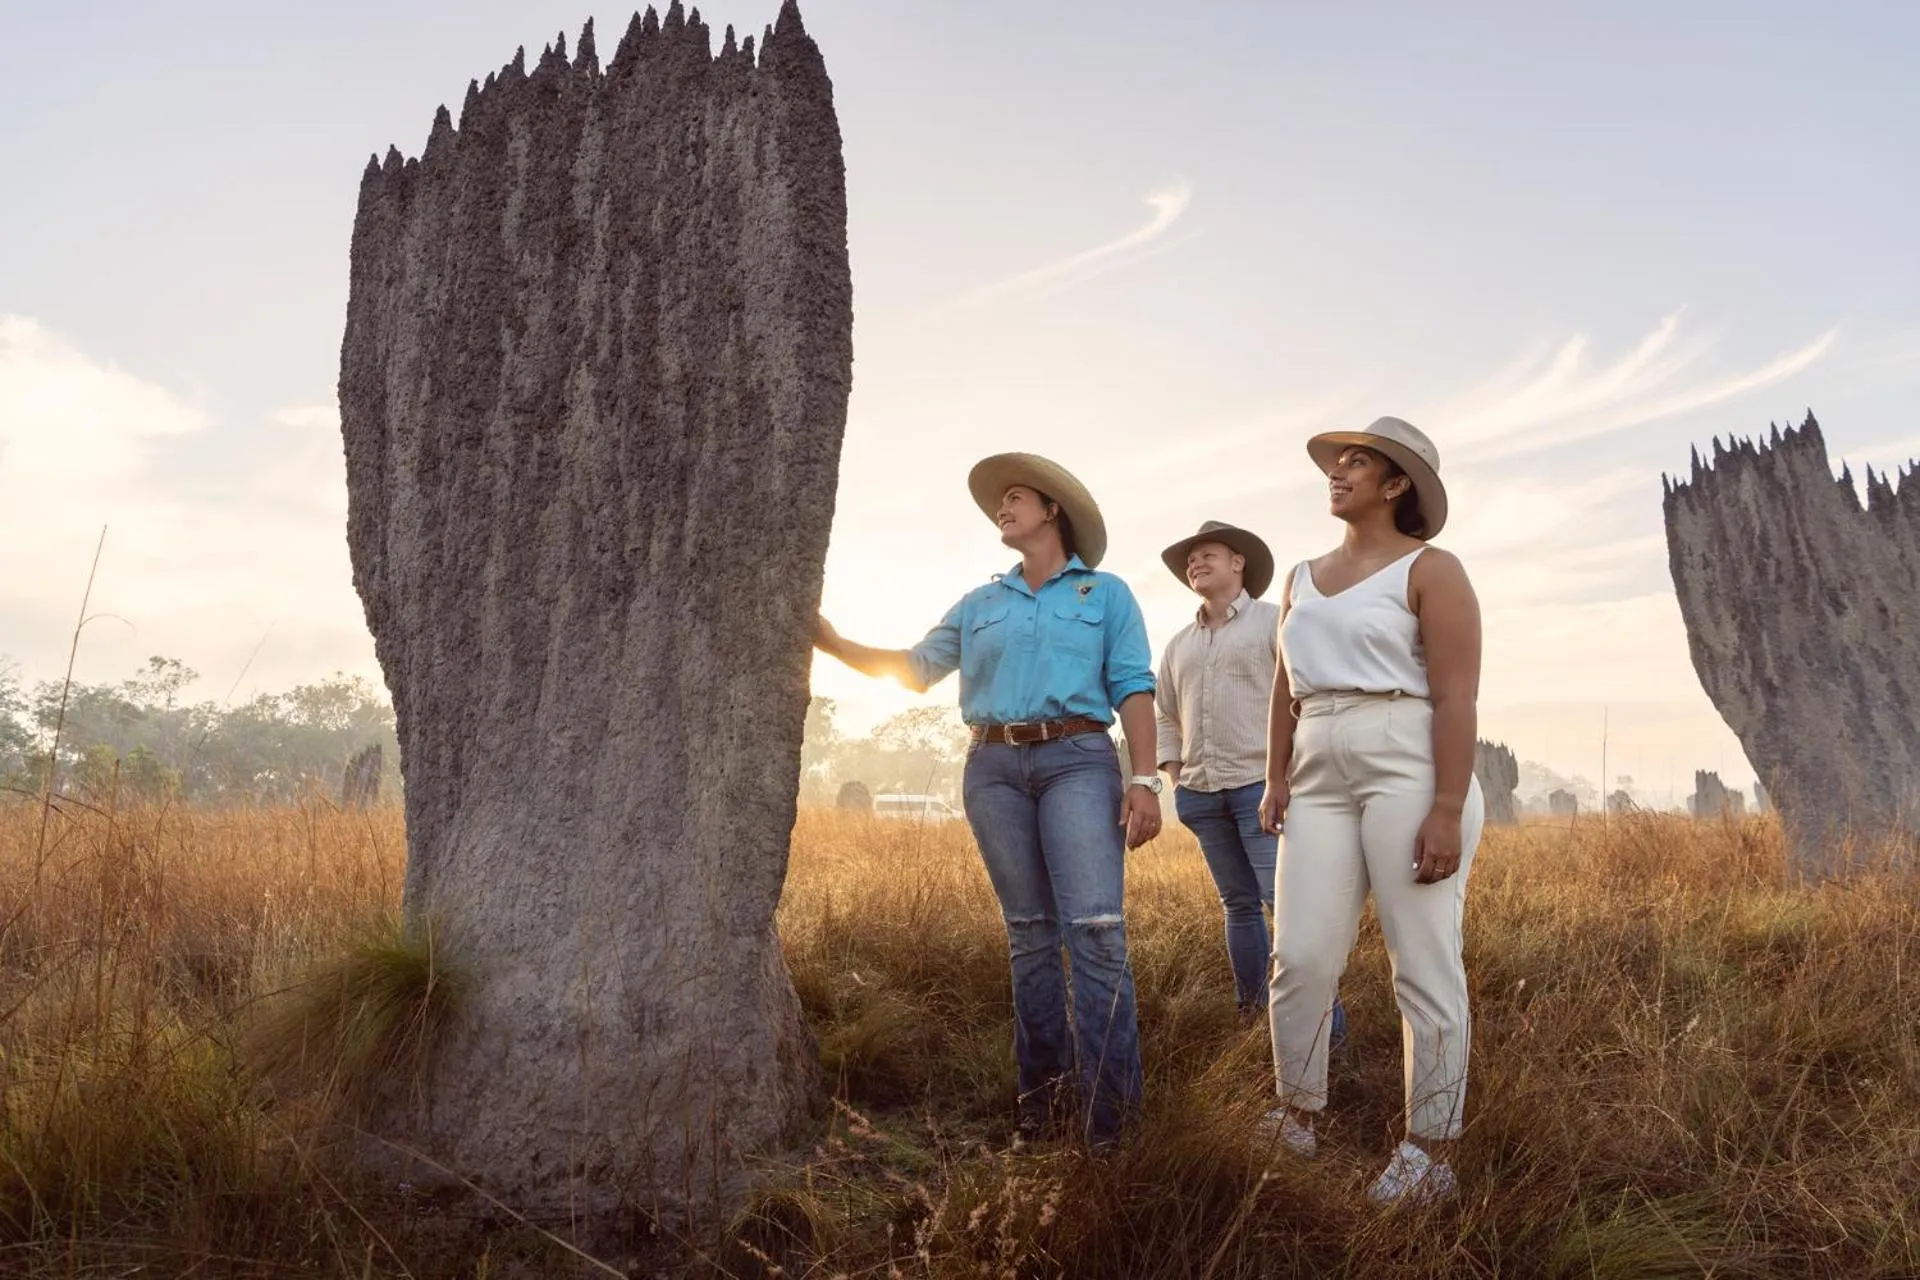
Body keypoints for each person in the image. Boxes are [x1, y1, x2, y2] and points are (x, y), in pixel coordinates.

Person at [813, 452, 1164, 1150]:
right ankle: (1043, 1104)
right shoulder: (981, 604)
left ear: (1051, 510)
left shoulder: (1106, 594)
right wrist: (830, 641)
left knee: (1094, 931)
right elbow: (914, 671)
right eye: (999, 503)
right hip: (994, 769)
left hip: (1078, 760)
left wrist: (1145, 779)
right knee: (1031, 937)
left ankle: (1112, 1127)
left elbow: (1132, 686)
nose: (1001, 510)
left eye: (1014, 498)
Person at [1258, 416, 1486, 1207]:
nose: (1339, 470)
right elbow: (1284, 686)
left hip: (1407, 753)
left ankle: (1431, 1151)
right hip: (1315, 760)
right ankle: (1295, 1114)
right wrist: (1275, 776)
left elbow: (1457, 694)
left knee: (1422, 963)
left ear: (1396, 487)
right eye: (1337, 462)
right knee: (1302, 958)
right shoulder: (1297, 575)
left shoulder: (1433, 568)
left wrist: (1448, 807)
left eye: (1359, 463)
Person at [1153, 520, 1347, 1047]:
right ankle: (1253, 1014)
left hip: (1260, 790)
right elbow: (1166, 716)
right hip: (1201, 794)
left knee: (1285, 907)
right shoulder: (1177, 646)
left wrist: (1283, 776)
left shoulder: (1272, 624)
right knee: (1237, 905)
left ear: (1238, 563)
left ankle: (1327, 1034)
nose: (1195, 564)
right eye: (1190, 560)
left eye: (1207, 555)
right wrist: (1175, 777)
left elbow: (1303, 698)